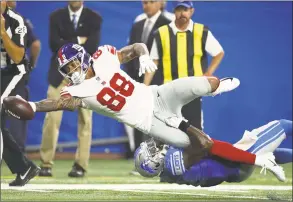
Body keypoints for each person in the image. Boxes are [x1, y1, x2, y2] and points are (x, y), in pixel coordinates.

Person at [5, 43, 283, 180]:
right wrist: (31, 106)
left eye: (71, 67)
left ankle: (216, 89)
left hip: (157, 95)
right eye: (66, 71)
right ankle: (255, 158)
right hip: (151, 123)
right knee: (203, 144)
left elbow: (134, 49)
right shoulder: (77, 93)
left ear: (83, 59)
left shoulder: (103, 57)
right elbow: (55, 103)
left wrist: (144, 54)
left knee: (208, 82)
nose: (70, 74)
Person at [40, 1, 102, 177]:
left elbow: (92, 47)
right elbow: (54, 44)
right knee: (51, 118)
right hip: (58, 76)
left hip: (85, 76)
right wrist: (77, 41)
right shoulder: (55, 17)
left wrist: (66, 42)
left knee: (85, 121)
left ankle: (80, 166)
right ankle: (46, 163)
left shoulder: (94, 18)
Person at [134, 119, 292, 184]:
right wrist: (183, 125)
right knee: (284, 125)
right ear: (154, 162)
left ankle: (262, 159)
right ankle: (261, 159)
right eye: (152, 150)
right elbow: (210, 145)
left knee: (273, 152)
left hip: (234, 170)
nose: (155, 145)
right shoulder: (175, 159)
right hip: (236, 163)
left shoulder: (168, 173)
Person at [149, 1, 225, 132]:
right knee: (169, 129)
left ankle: (195, 153)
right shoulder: (161, 33)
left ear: (191, 11)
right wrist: (146, 87)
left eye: (185, 9)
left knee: (195, 129)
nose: (182, 13)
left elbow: (219, 53)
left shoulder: (201, 31)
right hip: (169, 91)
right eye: (179, 9)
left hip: (193, 91)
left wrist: (209, 73)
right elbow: (153, 61)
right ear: (174, 12)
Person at [124, 0, 171, 160]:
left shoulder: (168, 25)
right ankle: (140, 157)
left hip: (159, 81)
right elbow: (130, 53)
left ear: (161, 4)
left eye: (151, 2)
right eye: (145, 2)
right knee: (138, 118)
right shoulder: (138, 25)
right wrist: (130, 79)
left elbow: (168, 57)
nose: (147, 5)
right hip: (137, 81)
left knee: (158, 119)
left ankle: (158, 156)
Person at [0, 0, 40, 186]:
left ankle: (23, 167)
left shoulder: (16, 20)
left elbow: (17, 57)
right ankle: (24, 168)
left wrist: (1, 31)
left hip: (14, 72)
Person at [6, 0, 41, 152]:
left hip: (12, 73)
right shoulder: (19, 20)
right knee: (17, 113)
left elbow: (34, 46)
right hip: (15, 74)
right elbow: (35, 45)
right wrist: (31, 64)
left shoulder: (19, 20)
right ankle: (17, 155)